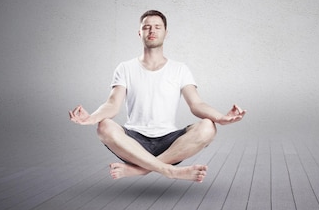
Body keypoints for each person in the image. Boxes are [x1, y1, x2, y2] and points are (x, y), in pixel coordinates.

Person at [69, 10, 246, 183]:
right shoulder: (125, 68)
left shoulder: (180, 69)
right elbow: (112, 104)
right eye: (147, 27)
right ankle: (169, 171)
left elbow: (196, 103)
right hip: (133, 143)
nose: (152, 31)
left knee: (209, 126)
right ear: (140, 33)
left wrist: (221, 118)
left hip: (171, 144)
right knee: (104, 126)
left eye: (157, 27)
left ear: (166, 33)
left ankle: (140, 169)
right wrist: (92, 117)